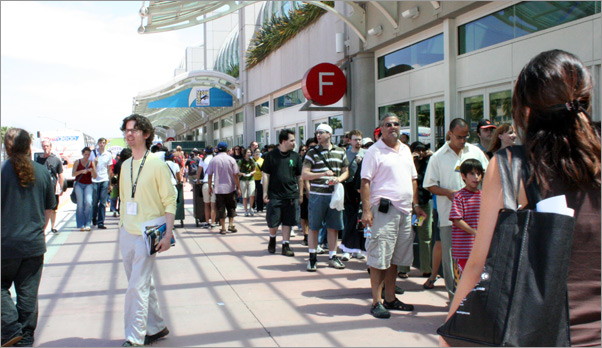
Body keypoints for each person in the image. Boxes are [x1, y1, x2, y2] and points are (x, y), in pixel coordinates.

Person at [443, 49, 601, 347]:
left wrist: (451, 333)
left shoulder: (512, 166)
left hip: (541, 335)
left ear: (527, 109)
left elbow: (477, 265)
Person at [360, 114, 426, 319]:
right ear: (381, 128)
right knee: (379, 257)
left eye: (396, 124)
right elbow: (365, 183)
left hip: (405, 212)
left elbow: (413, 180)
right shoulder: (374, 151)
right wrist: (366, 210)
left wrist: (416, 205)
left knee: (396, 257)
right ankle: (376, 301)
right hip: (383, 211)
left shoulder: (406, 150)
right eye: (388, 124)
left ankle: (390, 298)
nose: (393, 127)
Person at [118, 114, 176, 347]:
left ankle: (135, 337)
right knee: (141, 282)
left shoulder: (157, 164)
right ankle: (156, 326)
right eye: (126, 130)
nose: (129, 134)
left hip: (148, 232)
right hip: (127, 231)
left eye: (133, 130)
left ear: (146, 134)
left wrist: (168, 234)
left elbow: (170, 200)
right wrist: (122, 226)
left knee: (136, 287)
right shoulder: (124, 165)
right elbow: (124, 197)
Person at [423, 118, 489, 299]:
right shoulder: (438, 157)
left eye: (465, 137)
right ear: (450, 134)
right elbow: (429, 185)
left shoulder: (475, 151)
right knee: (452, 258)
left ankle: (474, 297)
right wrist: (449, 193)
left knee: (477, 258)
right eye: (459, 137)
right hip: (448, 217)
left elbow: (489, 176)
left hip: (476, 217)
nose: (462, 140)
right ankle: (454, 298)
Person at [1, 128, 55, 347]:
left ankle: (11, 328)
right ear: (29, 146)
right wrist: (38, 229)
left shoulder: (2, 171)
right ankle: (25, 338)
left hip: (5, 244)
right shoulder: (42, 172)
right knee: (28, 294)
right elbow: (50, 208)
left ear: (7, 147)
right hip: (33, 244)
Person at [302, 123, 349, 272]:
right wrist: (322, 174)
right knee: (314, 227)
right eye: (317, 132)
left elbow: (346, 171)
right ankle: (312, 258)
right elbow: (304, 174)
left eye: (321, 132)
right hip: (318, 195)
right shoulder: (311, 152)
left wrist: (338, 179)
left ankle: (333, 256)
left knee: (333, 227)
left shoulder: (340, 151)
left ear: (329, 134)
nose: (318, 135)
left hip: (334, 194)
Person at [262, 129, 303, 257]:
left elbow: (299, 176)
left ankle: (286, 245)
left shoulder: (295, 156)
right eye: (292, 140)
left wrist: (300, 193)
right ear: (283, 141)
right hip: (274, 194)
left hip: (291, 194)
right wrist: (265, 192)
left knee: (288, 221)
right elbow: (266, 174)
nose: (294, 143)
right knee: (273, 221)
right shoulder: (271, 156)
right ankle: (272, 239)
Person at [448, 159, 483, 287]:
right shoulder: (459, 196)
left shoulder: (484, 196)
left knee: (478, 281)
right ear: (463, 176)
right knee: (464, 283)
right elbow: (457, 220)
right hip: (463, 249)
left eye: (479, 174)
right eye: (472, 174)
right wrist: (475, 232)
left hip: (480, 249)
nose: (476, 177)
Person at [408, 142, 434, 279]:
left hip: (423, 206)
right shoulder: (407, 163)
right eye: (417, 150)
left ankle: (426, 268)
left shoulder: (428, 164)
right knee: (407, 236)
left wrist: (431, 155)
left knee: (425, 236)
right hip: (408, 206)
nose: (420, 153)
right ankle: (403, 268)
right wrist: (411, 159)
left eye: (422, 150)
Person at [340, 129, 366, 261]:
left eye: (360, 139)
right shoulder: (345, 154)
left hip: (363, 189)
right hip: (349, 189)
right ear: (350, 141)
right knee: (349, 219)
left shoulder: (366, 153)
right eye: (355, 139)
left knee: (360, 220)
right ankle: (346, 248)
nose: (358, 142)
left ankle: (357, 249)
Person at [207, 142, 241, 235]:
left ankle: (223, 228)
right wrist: (238, 187)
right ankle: (231, 225)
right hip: (230, 188)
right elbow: (236, 175)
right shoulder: (231, 160)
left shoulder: (213, 160)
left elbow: (209, 175)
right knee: (231, 207)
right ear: (227, 149)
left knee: (221, 208)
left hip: (218, 189)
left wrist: (210, 187)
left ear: (217, 149)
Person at [35, 139, 64, 234]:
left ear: (50, 147)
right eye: (44, 146)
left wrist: (62, 187)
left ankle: (53, 226)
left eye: (47, 146)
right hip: (41, 188)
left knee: (53, 208)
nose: (45, 148)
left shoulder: (56, 160)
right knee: (42, 208)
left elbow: (60, 175)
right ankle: (43, 228)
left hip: (53, 187)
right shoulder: (38, 159)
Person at [90, 138, 113, 230]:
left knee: (103, 202)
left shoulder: (108, 154)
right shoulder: (93, 153)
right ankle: (94, 218)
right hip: (95, 180)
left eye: (103, 143)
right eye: (100, 143)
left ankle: (101, 222)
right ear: (98, 143)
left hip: (104, 179)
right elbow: (90, 166)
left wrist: (110, 183)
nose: (102, 144)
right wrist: (94, 163)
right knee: (95, 202)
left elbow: (109, 169)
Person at [72, 147, 97, 231]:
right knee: (80, 204)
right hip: (79, 184)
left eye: (88, 154)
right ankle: (80, 224)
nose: (87, 156)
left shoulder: (91, 163)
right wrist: (82, 171)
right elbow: (73, 174)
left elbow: (95, 176)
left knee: (89, 202)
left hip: (88, 184)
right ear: (82, 154)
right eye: (85, 154)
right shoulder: (77, 162)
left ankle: (88, 223)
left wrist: (92, 171)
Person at [299, 138, 317, 246]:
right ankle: (305, 235)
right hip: (306, 191)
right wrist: (303, 193)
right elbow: (302, 177)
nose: (312, 148)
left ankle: (312, 235)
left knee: (313, 216)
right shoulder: (305, 159)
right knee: (304, 215)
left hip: (318, 190)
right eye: (310, 147)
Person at [197, 147, 217, 228]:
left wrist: (198, 179)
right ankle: (213, 222)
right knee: (213, 205)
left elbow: (199, 171)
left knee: (206, 204)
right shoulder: (215, 159)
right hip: (214, 183)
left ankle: (207, 221)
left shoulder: (203, 159)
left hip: (205, 183)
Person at [237, 149, 256, 217]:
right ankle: (245, 210)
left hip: (251, 179)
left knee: (252, 195)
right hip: (243, 179)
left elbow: (255, 170)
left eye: (250, 152)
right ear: (244, 153)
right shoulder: (241, 161)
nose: (249, 153)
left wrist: (252, 173)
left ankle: (251, 208)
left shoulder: (252, 161)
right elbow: (237, 172)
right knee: (244, 196)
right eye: (248, 152)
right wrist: (242, 174)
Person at [252, 148, 265, 213]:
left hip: (260, 179)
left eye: (259, 152)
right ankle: (252, 206)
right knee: (252, 193)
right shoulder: (251, 160)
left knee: (260, 193)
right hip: (252, 178)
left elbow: (264, 169)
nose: (258, 153)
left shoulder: (262, 160)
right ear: (253, 153)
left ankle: (260, 208)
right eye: (256, 152)